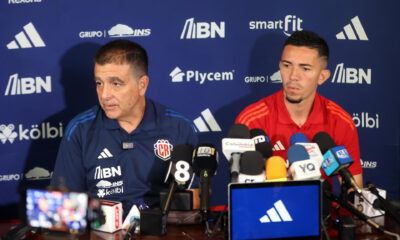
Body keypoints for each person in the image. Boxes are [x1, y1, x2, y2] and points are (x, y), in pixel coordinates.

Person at [51, 40, 198, 216]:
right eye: (99, 83)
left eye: (116, 84)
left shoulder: (179, 127)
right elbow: (62, 208)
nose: (104, 95)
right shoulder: (79, 130)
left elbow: (194, 198)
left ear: (142, 85)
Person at [235, 30, 363, 188]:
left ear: (322, 77)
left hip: (321, 210)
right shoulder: (252, 120)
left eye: (305, 68)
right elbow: (243, 195)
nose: (293, 76)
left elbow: (354, 192)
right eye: (287, 65)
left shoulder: (340, 121)